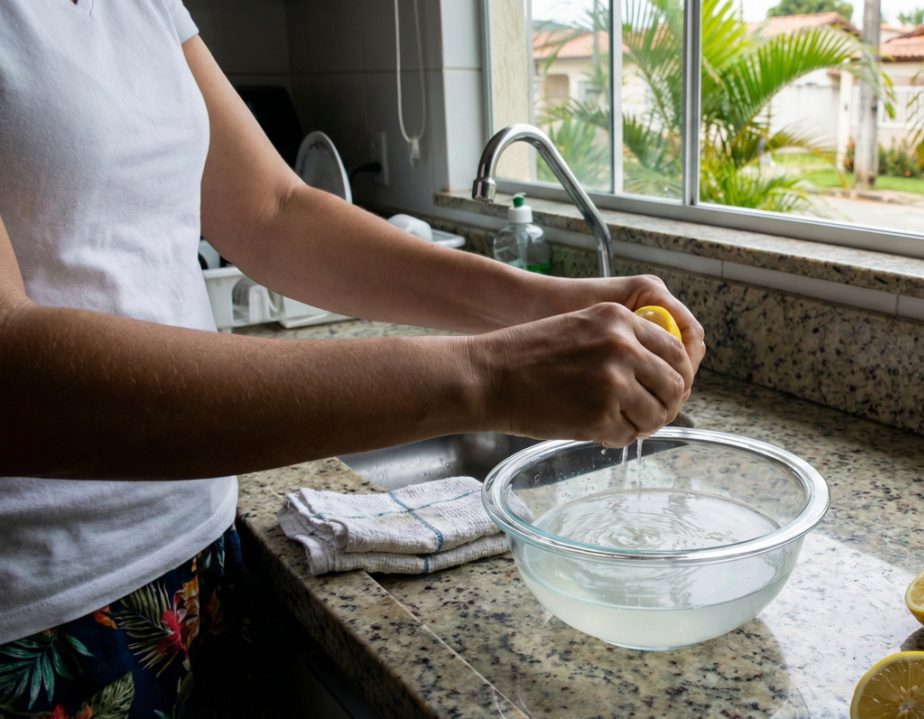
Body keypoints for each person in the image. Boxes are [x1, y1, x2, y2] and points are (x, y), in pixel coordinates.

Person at [0, 1, 705, 716]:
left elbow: (274, 211)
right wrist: (491, 375)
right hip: (41, 619)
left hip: (200, 561)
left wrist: (544, 304)